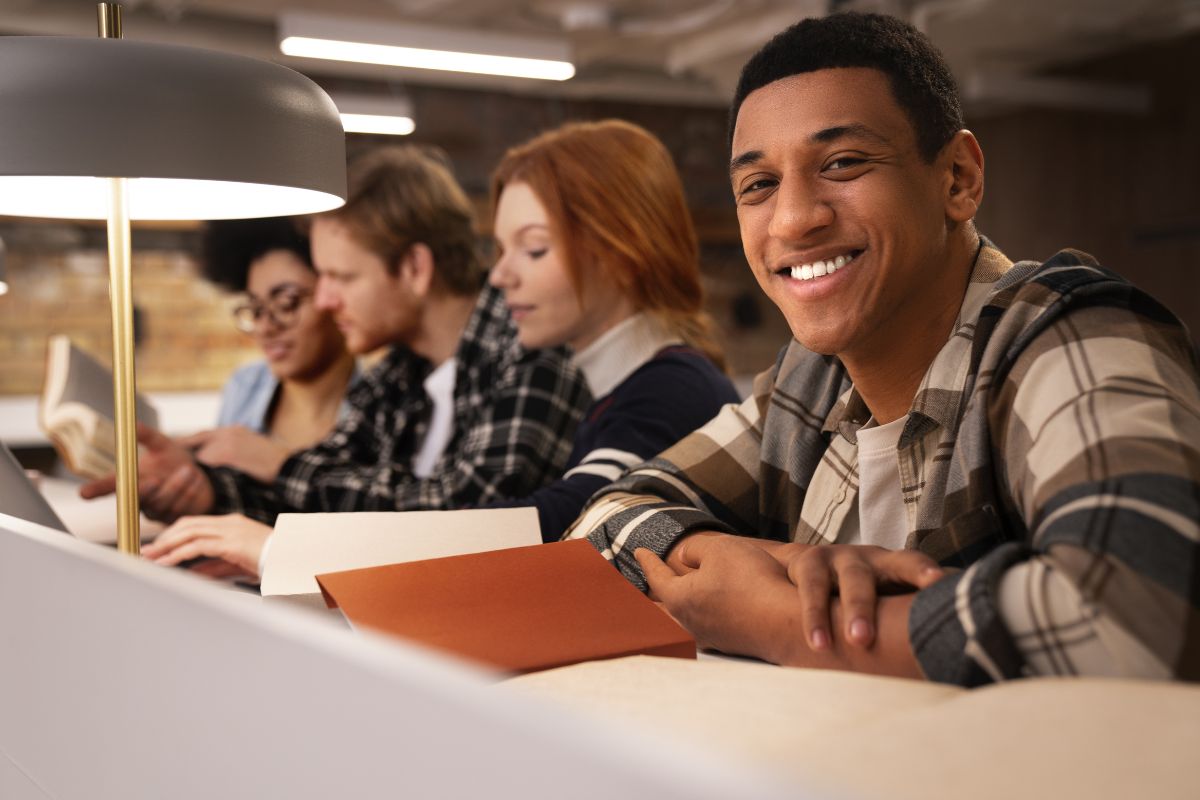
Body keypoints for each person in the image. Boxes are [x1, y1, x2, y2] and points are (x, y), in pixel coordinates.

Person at [565, 12, 1200, 684]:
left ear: (957, 179)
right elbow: (604, 516)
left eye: (842, 163)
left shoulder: (1071, 334)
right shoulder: (807, 384)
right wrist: (725, 558)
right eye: (760, 184)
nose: (792, 218)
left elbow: (1139, 617)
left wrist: (775, 620)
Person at [84, 145, 590, 578]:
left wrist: (279, 463)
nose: (324, 299)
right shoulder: (402, 371)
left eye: (340, 277)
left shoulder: (527, 347)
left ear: (414, 268)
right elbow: (328, 490)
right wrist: (205, 491)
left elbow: (466, 517)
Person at [486, 120, 739, 541]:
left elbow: (575, 517)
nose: (499, 275)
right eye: (499, 249)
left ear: (621, 252)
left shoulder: (673, 390)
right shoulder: (636, 386)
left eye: (533, 248)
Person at [179, 217, 357, 477]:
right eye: (256, 309)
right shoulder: (245, 386)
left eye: (287, 302)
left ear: (333, 295)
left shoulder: (382, 404)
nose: (265, 328)